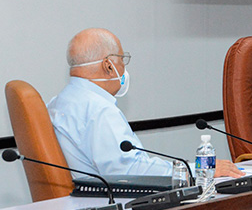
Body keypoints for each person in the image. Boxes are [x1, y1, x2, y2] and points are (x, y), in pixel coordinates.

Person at [48, 28, 242, 179]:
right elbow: (131, 171)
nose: (124, 68)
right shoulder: (98, 110)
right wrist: (197, 169)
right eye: (122, 60)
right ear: (108, 66)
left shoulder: (58, 102)